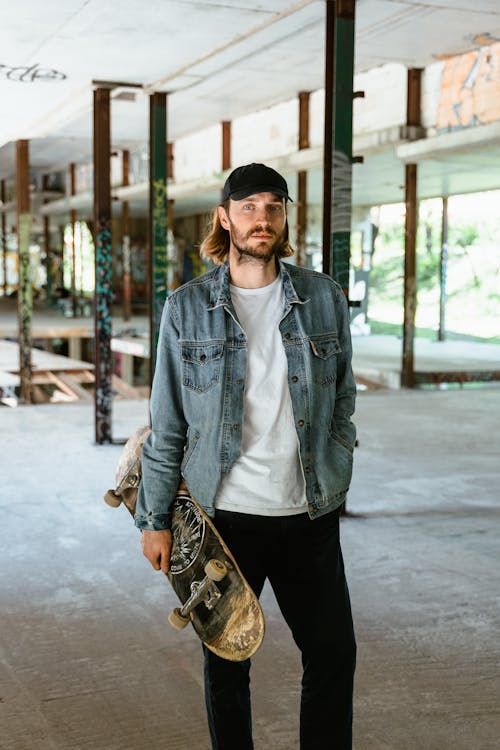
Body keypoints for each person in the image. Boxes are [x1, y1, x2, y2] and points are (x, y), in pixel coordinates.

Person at [135, 162, 357, 750]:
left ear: (285, 217)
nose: (263, 218)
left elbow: (343, 400)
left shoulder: (323, 298)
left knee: (334, 653)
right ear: (225, 217)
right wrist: (154, 519)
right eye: (250, 206)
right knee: (227, 665)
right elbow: (168, 424)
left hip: (307, 512)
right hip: (225, 520)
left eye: (274, 206)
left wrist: (336, 464)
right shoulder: (185, 308)